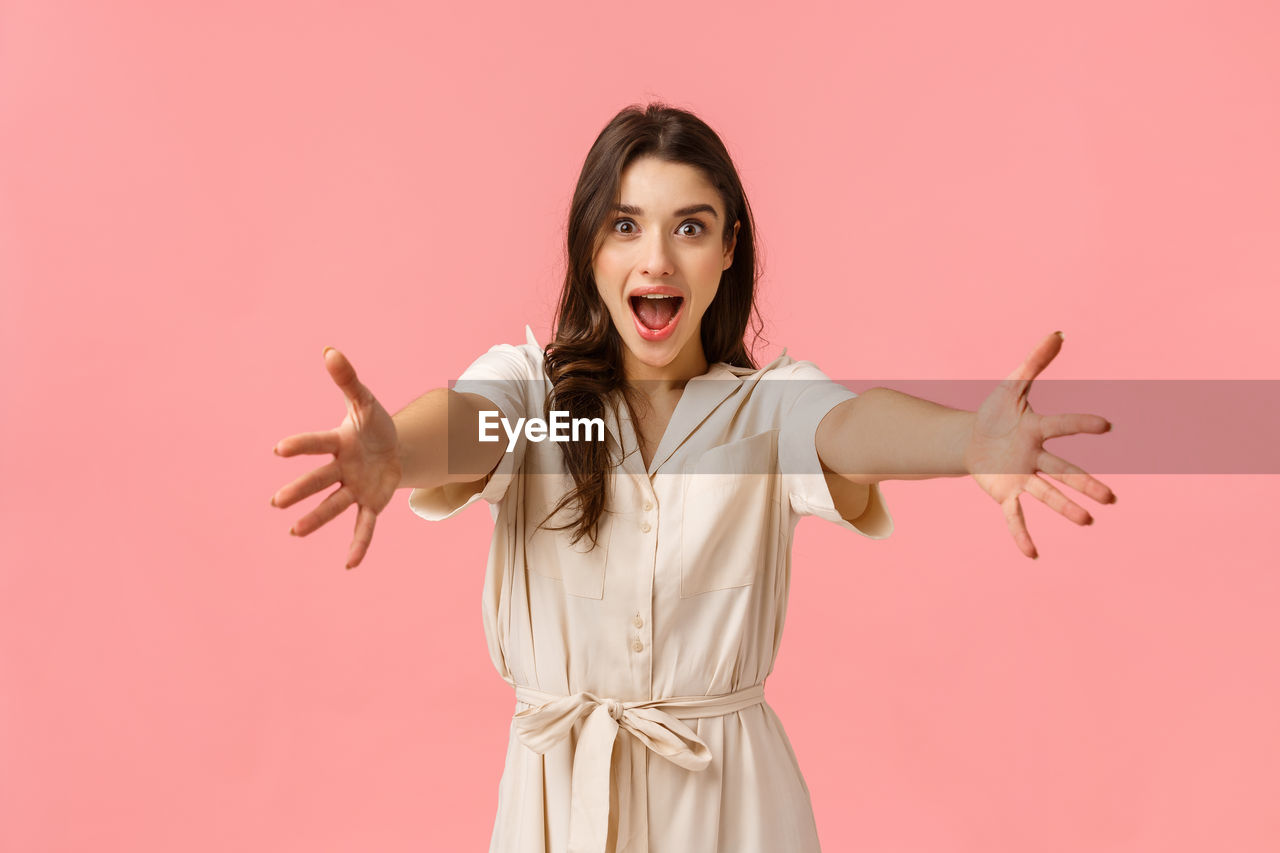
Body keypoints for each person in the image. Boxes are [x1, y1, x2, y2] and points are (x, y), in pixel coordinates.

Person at [270, 103, 1116, 853]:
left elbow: (850, 427)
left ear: (727, 247)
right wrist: (396, 453)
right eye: (626, 225)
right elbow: (465, 426)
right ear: (589, 245)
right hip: (557, 805)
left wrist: (967, 440)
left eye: (691, 226)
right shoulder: (535, 397)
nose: (658, 260)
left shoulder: (766, 412)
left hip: (731, 807)